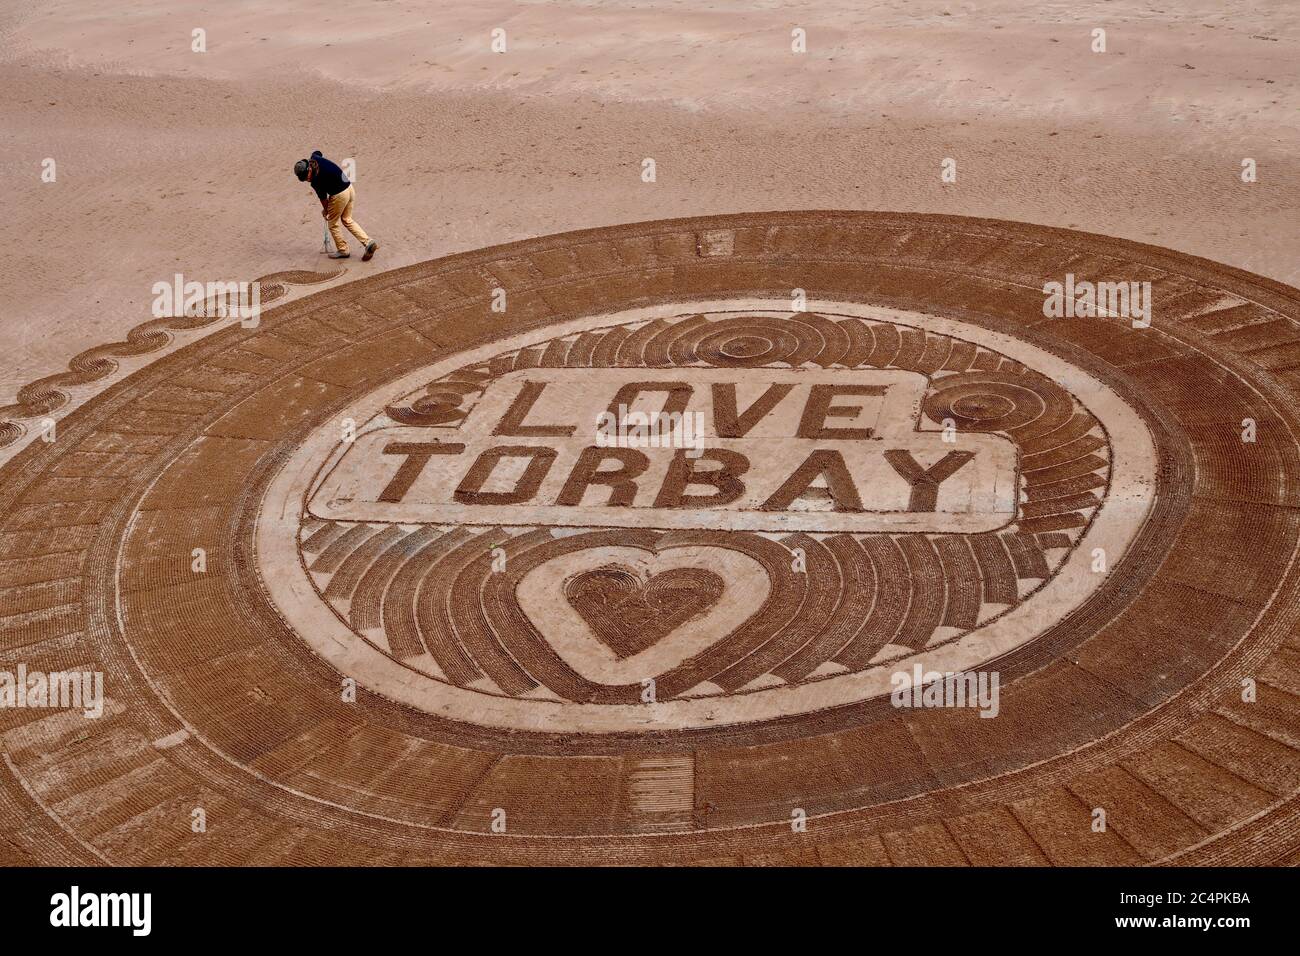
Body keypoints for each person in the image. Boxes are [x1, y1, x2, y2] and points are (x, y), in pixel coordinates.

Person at [294, 151, 377, 261]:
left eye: (306, 176)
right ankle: (368, 242)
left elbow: (323, 199)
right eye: (303, 179)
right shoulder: (315, 158)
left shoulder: (316, 181)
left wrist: (326, 211)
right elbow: (318, 152)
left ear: (309, 169)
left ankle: (343, 250)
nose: (306, 179)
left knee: (333, 223)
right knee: (347, 219)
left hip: (340, 195)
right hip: (349, 188)